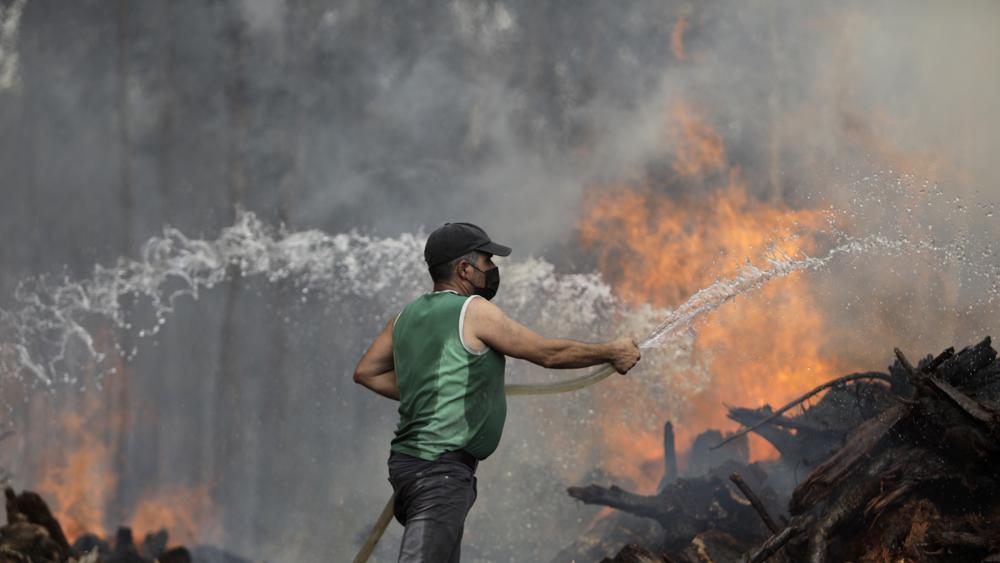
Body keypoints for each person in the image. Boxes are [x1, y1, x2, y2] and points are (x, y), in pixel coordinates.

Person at [353, 222, 641, 562]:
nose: (492, 270)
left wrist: (432, 391)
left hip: (410, 466)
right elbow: (548, 354)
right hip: (438, 472)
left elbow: (366, 372)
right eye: (487, 261)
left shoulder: (404, 318)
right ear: (464, 268)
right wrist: (611, 351)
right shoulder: (473, 311)